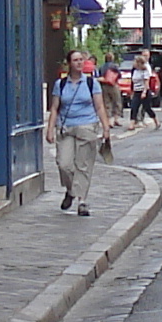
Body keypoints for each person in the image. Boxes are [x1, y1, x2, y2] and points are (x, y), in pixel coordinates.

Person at [46, 53, 115, 218]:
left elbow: (99, 107)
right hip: (66, 127)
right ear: (69, 63)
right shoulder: (61, 84)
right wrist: (50, 128)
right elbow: (54, 108)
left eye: (81, 60)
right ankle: (71, 191)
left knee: (83, 165)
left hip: (87, 126)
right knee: (64, 164)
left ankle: (81, 201)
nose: (79, 63)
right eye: (75, 60)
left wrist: (105, 127)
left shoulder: (91, 83)